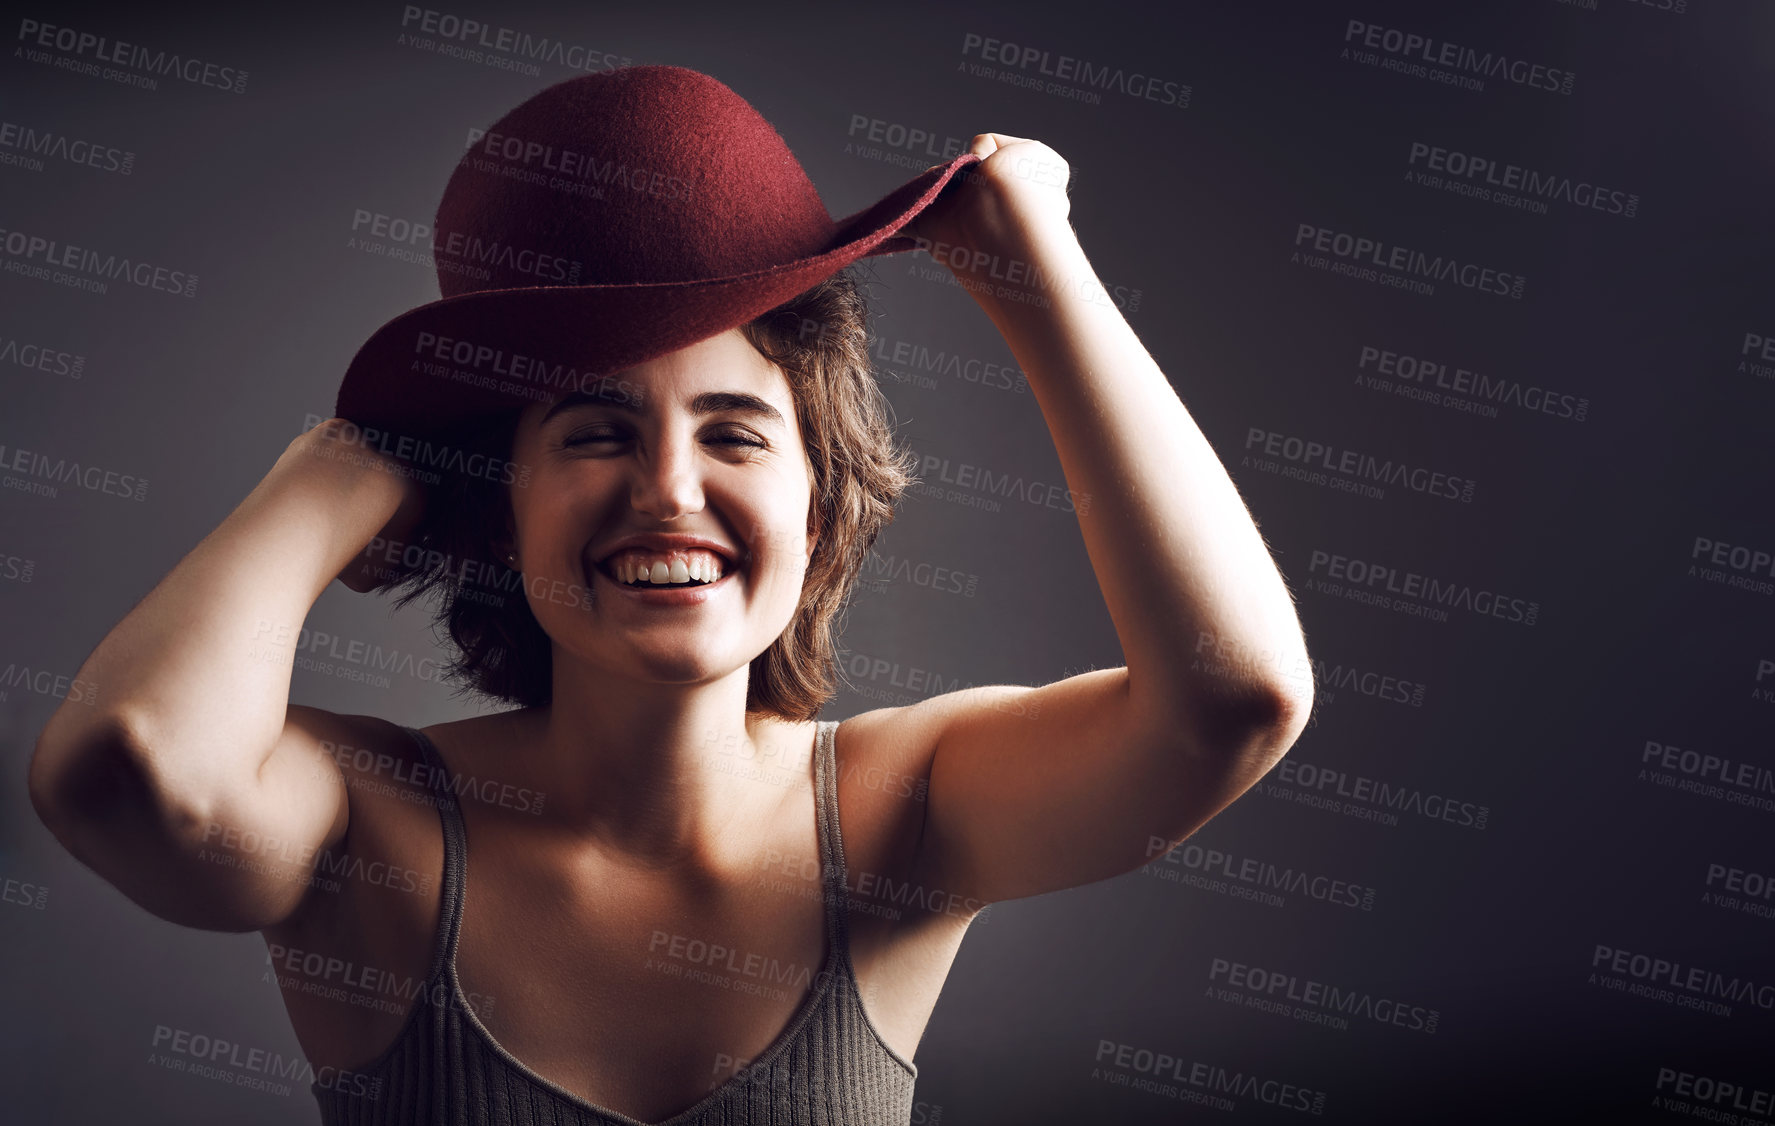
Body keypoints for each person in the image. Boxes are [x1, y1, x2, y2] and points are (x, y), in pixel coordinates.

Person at [27, 66, 1314, 1126]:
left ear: (823, 500)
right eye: (592, 433)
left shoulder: (902, 811)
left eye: (736, 433)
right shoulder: (367, 824)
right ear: (498, 500)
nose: (667, 491)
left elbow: (1230, 696)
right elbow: (129, 766)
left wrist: (1038, 270)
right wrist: (332, 475)